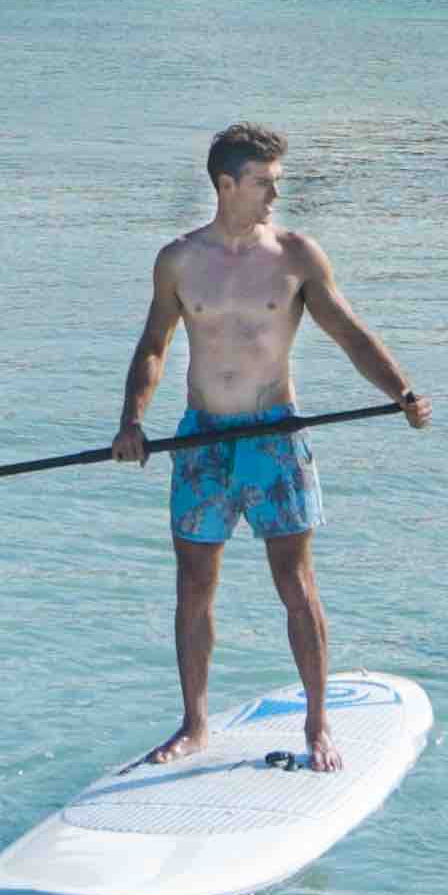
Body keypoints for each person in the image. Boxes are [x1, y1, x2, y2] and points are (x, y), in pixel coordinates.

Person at [113, 117, 429, 769]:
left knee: (296, 581)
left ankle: (318, 725)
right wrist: (131, 423)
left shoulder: (295, 256)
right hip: (201, 443)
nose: (275, 196)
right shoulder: (178, 259)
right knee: (194, 586)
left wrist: (400, 394)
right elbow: (153, 347)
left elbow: (350, 333)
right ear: (226, 184)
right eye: (263, 183)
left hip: (276, 439)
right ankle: (194, 725)